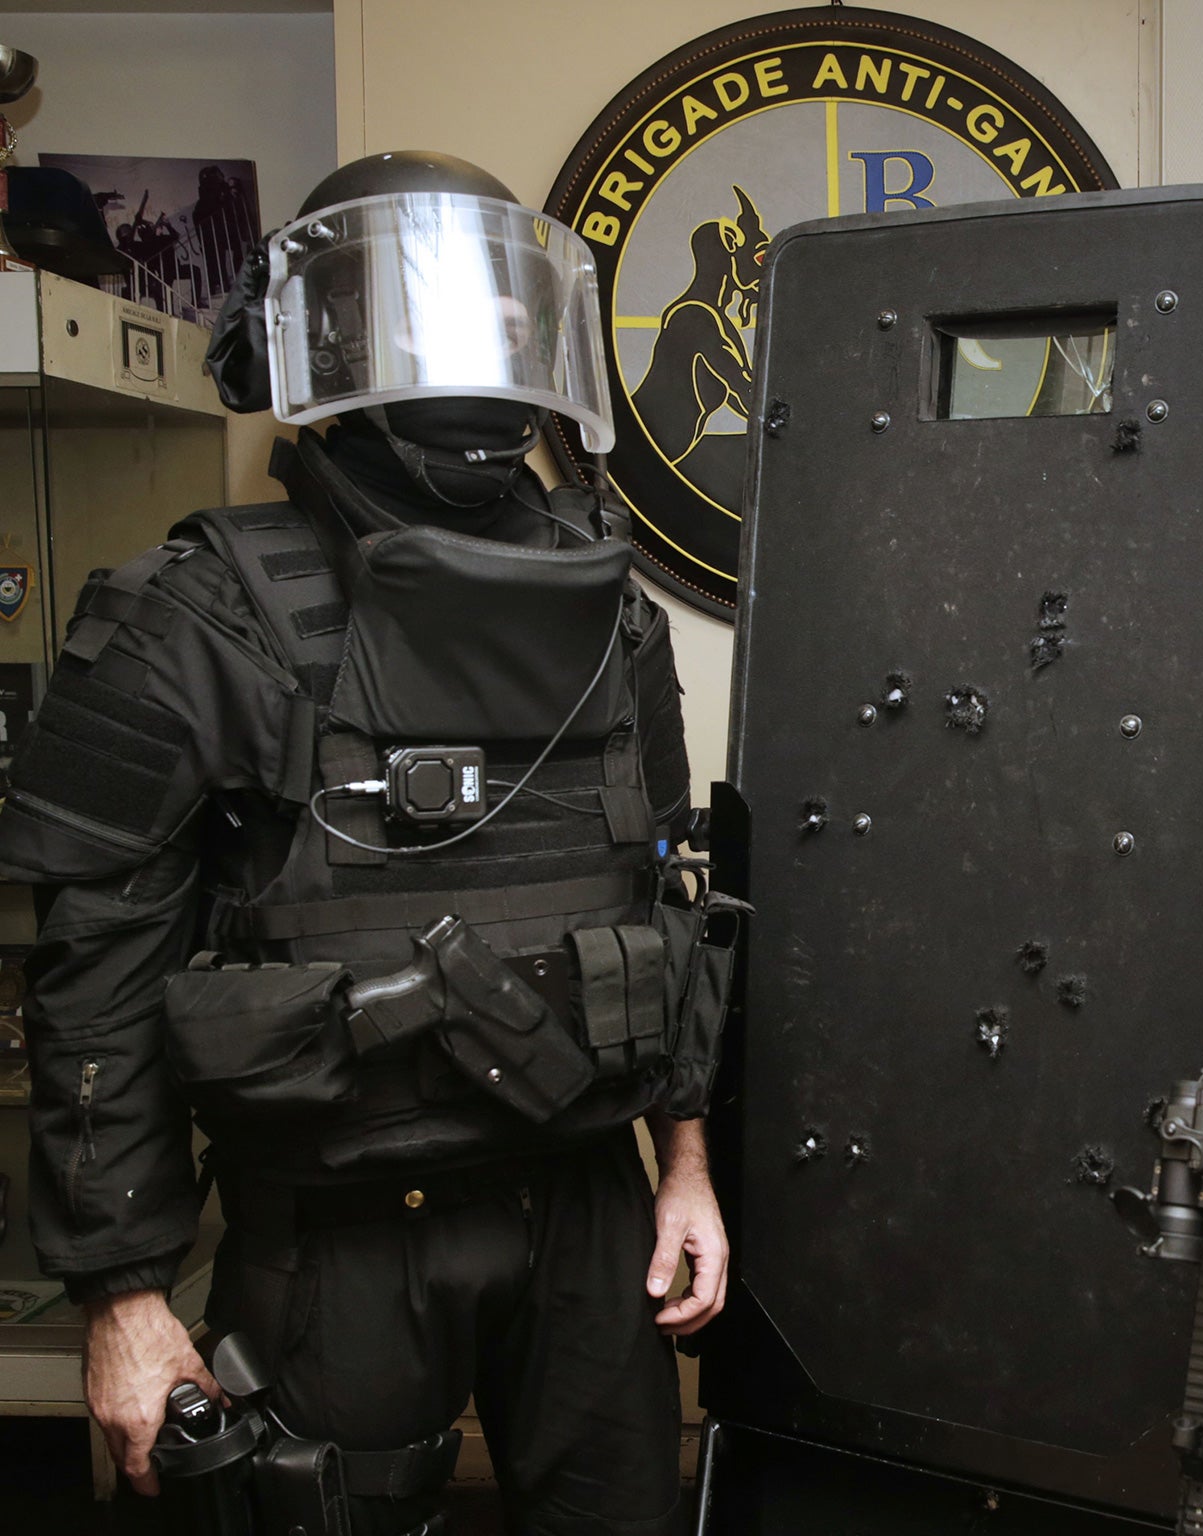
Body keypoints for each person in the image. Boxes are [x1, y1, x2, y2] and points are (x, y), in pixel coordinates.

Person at [2, 151, 730, 1535]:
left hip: (586, 1204)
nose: (473, 352)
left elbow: (665, 899)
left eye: (501, 315)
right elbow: (94, 967)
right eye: (420, 310)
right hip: (336, 1224)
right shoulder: (197, 610)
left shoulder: (608, 606)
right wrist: (124, 1299)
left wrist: (683, 1166)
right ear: (321, 335)